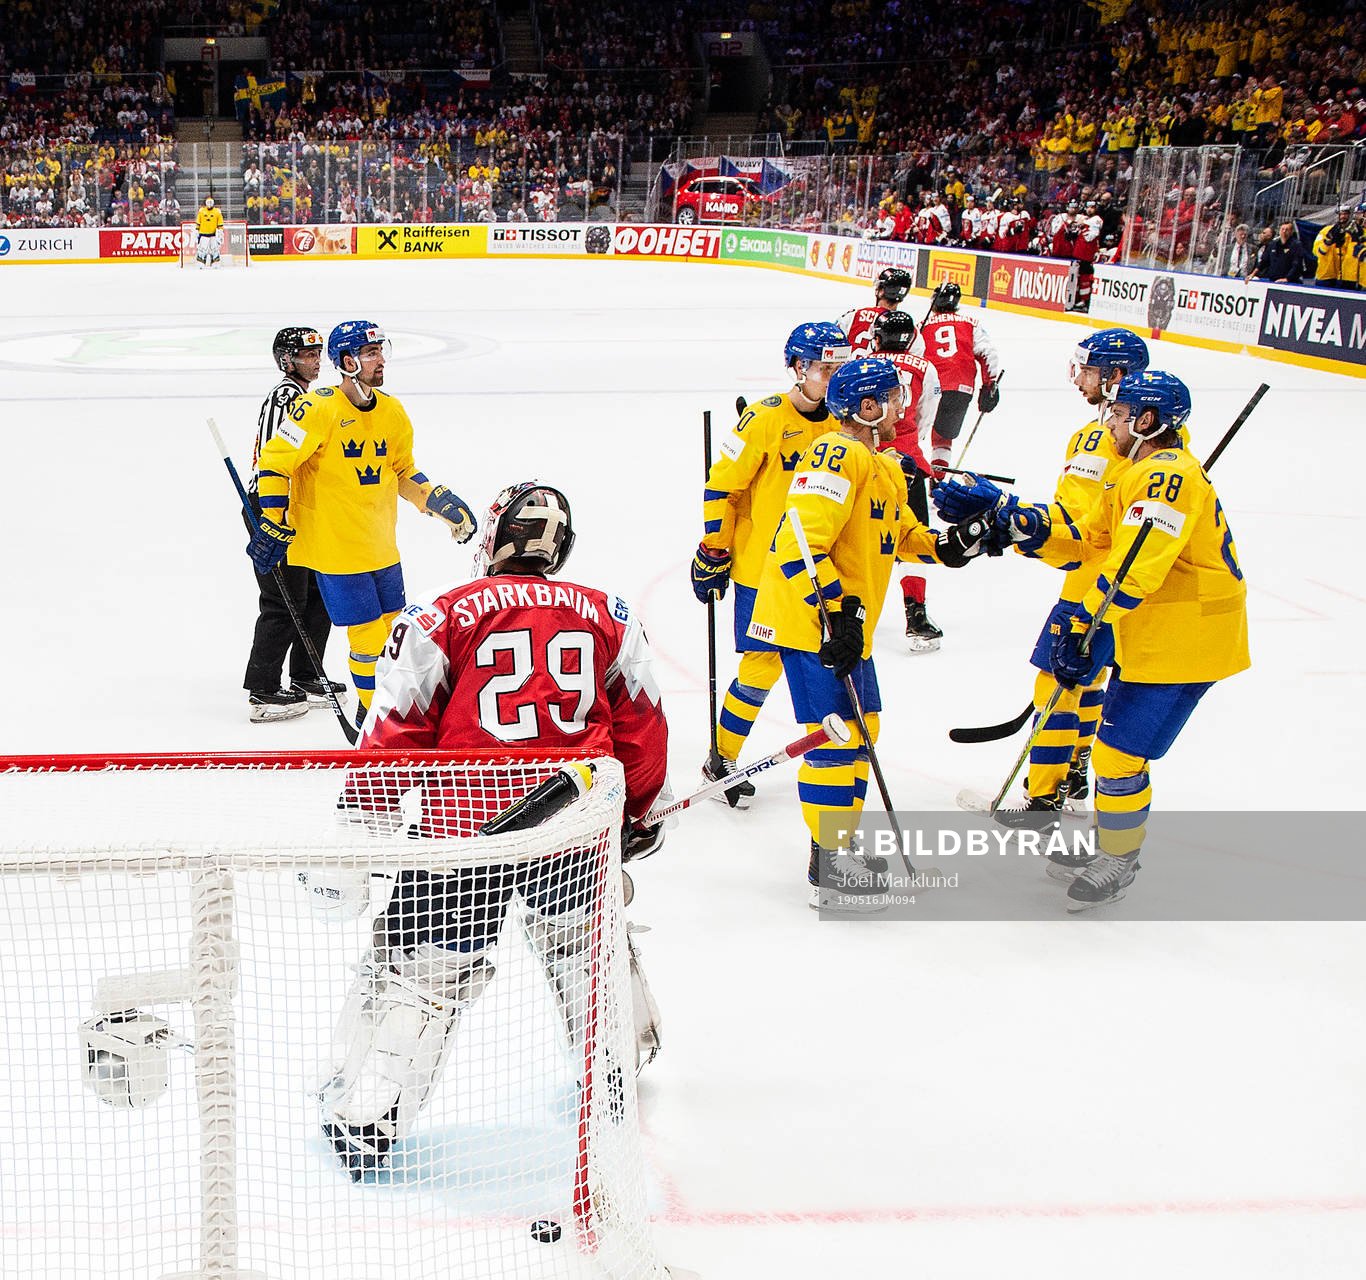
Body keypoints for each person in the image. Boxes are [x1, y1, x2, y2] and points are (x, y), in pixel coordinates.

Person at [318, 481, 670, 1176]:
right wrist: (635, 812)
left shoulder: (439, 613)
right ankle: (617, 1073)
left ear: (494, 537)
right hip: (573, 822)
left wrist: (363, 826)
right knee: (587, 953)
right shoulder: (610, 613)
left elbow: (395, 731)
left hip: (464, 831)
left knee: (422, 977)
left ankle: (368, 1119)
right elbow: (644, 724)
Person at [935, 370, 1248, 909]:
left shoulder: (1165, 477)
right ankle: (1114, 847)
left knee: (1119, 754)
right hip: (1156, 633)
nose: (1111, 422)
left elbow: (1134, 568)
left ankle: (1119, 860)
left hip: (1187, 637)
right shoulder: (1136, 469)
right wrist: (1019, 523)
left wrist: (1087, 623)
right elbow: (1089, 539)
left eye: (1121, 415)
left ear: (1147, 421)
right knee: (1116, 752)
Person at [748, 358, 997, 912]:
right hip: (818, 624)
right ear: (867, 406)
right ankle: (830, 866)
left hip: (844, 625)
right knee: (836, 743)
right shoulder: (838, 453)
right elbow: (800, 542)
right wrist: (835, 611)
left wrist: (952, 546)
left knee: (863, 730)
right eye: (894, 394)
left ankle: (839, 841)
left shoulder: (882, 464)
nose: (904, 402)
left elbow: (902, 534)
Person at [251, 321, 477, 727]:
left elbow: (403, 470)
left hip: (381, 546)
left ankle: (386, 704)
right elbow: (274, 461)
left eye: (380, 351)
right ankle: (374, 715)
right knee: (368, 637)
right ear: (348, 361)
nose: (380, 360)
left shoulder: (392, 410)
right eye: (371, 353)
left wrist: (437, 503)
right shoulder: (316, 407)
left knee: (397, 632)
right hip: (337, 550)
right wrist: (272, 519)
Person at [992, 327, 1152, 829]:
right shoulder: (1134, 434)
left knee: (1054, 686)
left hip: (1096, 590)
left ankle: (1043, 797)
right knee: (1091, 680)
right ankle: (1076, 772)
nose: (1078, 378)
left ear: (1116, 377)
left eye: (1087, 369)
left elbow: (1080, 527)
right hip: (1113, 589)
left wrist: (1028, 527)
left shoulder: (1117, 443)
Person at [692, 321, 851, 806]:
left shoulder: (843, 424)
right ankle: (722, 756)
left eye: (840, 367)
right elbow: (723, 486)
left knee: (826, 664)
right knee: (761, 666)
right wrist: (715, 548)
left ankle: (836, 763)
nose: (834, 376)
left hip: (819, 570)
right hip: (763, 571)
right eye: (826, 368)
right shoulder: (763, 418)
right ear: (798, 368)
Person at [242, 326, 343, 722]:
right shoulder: (286, 396)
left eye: (318, 353)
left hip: (301, 509)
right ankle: (264, 690)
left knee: (317, 593)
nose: (316, 360)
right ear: (287, 360)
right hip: (272, 508)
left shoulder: (311, 398)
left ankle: (306, 675)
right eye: (307, 354)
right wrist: (271, 518)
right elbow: (274, 459)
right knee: (283, 601)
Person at [868, 309, 945, 651]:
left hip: (868, 461)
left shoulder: (865, 364)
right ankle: (916, 617)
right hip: (909, 462)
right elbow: (928, 413)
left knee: (860, 536)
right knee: (914, 540)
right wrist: (912, 441)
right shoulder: (923, 367)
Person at [912, 281, 1004, 476]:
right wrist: (989, 386)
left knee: (910, 433)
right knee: (943, 439)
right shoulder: (970, 323)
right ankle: (937, 480)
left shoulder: (922, 326)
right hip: (961, 387)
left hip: (929, 387)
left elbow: (913, 357)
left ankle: (910, 475)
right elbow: (988, 354)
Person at [838, 266, 912, 354]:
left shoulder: (853, 315)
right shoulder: (908, 328)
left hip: (851, 366)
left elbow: (834, 341)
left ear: (881, 291)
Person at [194, 194, 224, 268]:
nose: (209, 204)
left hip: (213, 234)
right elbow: (198, 222)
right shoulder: (201, 211)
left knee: (214, 248)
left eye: (211, 202)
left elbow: (220, 223)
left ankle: (215, 262)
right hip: (203, 233)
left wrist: (220, 232)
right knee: (202, 248)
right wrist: (196, 231)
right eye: (208, 202)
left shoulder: (217, 212)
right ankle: (201, 262)